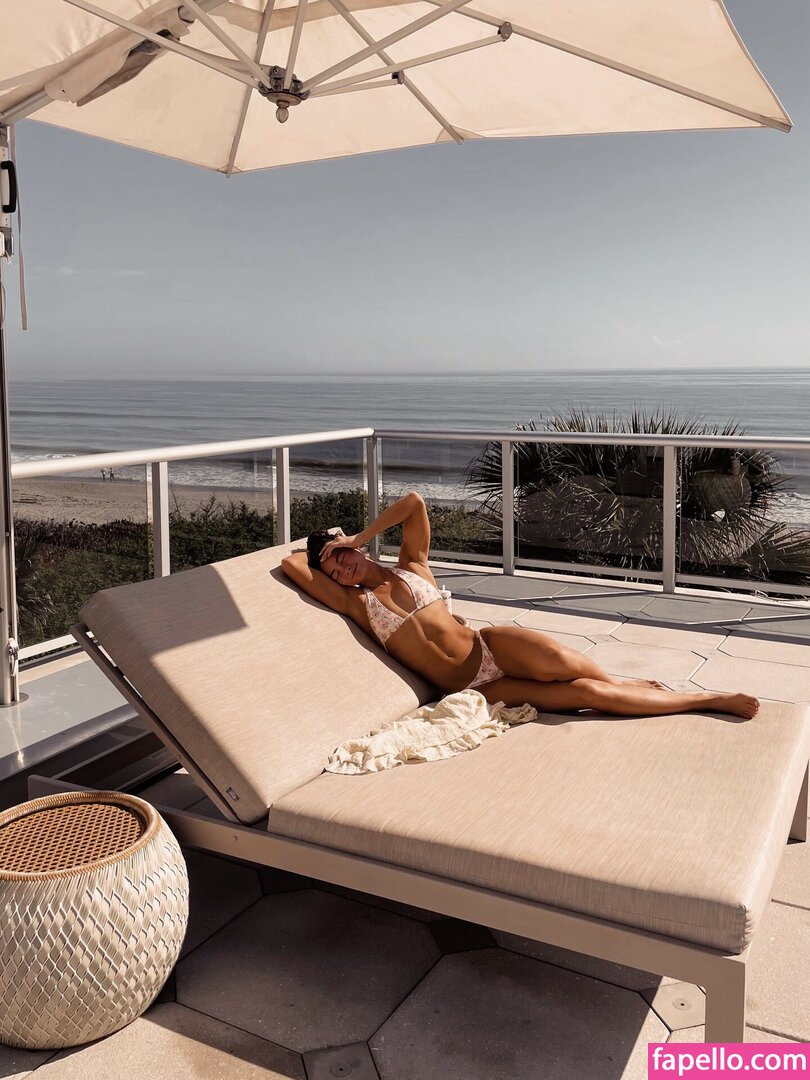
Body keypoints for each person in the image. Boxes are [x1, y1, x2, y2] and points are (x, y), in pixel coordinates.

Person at [281, 492, 759, 719]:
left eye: (341, 557)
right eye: (332, 570)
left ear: (355, 548)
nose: (340, 570)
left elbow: (414, 502)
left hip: (492, 645)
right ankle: (704, 700)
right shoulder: (358, 605)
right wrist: (323, 556)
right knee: (588, 696)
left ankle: (635, 684)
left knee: (571, 668)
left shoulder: (413, 566)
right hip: (478, 687)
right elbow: (291, 562)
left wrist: (357, 535)